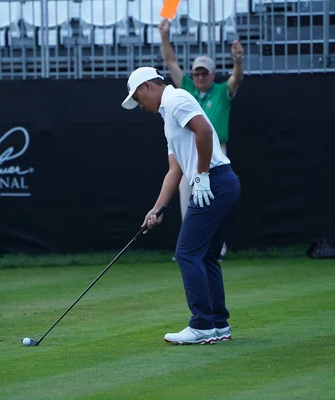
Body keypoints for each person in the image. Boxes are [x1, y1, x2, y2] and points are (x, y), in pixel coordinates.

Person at [121, 67, 241, 345]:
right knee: (206, 256)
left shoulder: (176, 99)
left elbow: (203, 132)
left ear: (149, 86)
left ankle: (201, 325)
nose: (140, 106)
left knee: (187, 253)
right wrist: (157, 208)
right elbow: (174, 169)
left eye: (138, 98)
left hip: (215, 183)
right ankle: (218, 324)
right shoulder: (167, 114)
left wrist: (201, 176)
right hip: (222, 183)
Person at [159, 18, 244, 259]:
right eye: (196, 72)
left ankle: (216, 248)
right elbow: (170, 62)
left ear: (212, 74)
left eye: (204, 73)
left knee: (214, 201)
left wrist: (238, 60)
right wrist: (165, 36)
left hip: (216, 154)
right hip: (188, 156)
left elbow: (236, 79)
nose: (199, 77)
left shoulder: (220, 92)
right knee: (188, 203)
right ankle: (194, 245)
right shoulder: (186, 88)